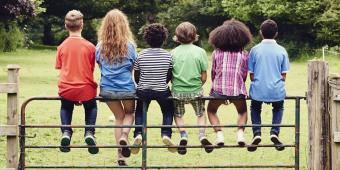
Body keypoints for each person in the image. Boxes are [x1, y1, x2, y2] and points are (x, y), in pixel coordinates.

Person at [96, 9, 137, 166]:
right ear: (124, 26)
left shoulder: (100, 46)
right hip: (126, 87)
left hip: (107, 88)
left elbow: (100, 66)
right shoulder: (130, 46)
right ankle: (125, 136)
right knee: (129, 113)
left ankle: (120, 156)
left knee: (118, 117)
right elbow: (133, 66)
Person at [55, 10, 98, 154]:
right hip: (86, 88)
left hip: (66, 87)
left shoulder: (61, 47)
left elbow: (60, 67)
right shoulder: (90, 47)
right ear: (82, 25)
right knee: (91, 107)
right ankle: (89, 132)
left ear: (66, 26)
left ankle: (66, 131)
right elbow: (91, 68)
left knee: (65, 107)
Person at [131, 23, 176, 154]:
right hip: (161, 89)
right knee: (168, 110)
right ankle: (166, 134)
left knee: (139, 111)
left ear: (146, 39)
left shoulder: (141, 55)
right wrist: (161, 82)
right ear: (164, 38)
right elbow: (169, 75)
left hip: (143, 89)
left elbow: (137, 76)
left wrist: (143, 84)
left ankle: (138, 134)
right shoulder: (168, 56)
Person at [207, 19, 252, 147]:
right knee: (242, 112)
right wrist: (234, 90)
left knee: (211, 110)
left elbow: (213, 73)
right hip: (237, 91)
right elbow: (244, 75)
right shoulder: (244, 54)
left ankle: (219, 135)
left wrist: (220, 91)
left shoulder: (216, 53)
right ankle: (240, 135)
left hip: (218, 90)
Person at [171, 22, 213, 155]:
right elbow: (204, 76)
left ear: (177, 37)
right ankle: (201, 135)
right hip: (196, 91)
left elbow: (170, 74)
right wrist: (199, 85)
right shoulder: (200, 52)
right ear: (195, 36)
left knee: (178, 115)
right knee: (200, 114)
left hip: (178, 92)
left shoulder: (172, 53)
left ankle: (183, 135)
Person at [247, 19, 290, 152]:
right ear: (276, 34)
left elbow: (251, 75)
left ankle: (257, 133)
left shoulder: (254, 50)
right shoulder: (282, 50)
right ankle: (274, 132)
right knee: (278, 108)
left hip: (258, 90)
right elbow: (283, 76)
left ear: (260, 33)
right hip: (276, 90)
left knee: (255, 107)